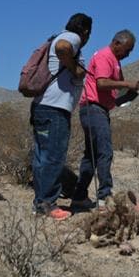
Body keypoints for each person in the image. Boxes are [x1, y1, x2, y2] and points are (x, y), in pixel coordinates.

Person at [71, 29, 139, 208]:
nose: (128, 54)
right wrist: (128, 83)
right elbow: (102, 83)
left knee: (91, 156)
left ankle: (79, 196)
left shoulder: (115, 61)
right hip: (93, 108)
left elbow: (119, 91)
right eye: (127, 50)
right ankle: (105, 196)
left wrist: (136, 85)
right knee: (104, 151)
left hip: (99, 110)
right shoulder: (105, 56)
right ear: (117, 43)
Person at [30, 13, 92, 220]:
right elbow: (63, 48)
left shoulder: (55, 37)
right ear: (85, 31)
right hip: (55, 109)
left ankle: (40, 203)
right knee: (53, 157)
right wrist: (75, 70)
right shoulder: (72, 38)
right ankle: (48, 203)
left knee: (42, 157)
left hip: (42, 106)